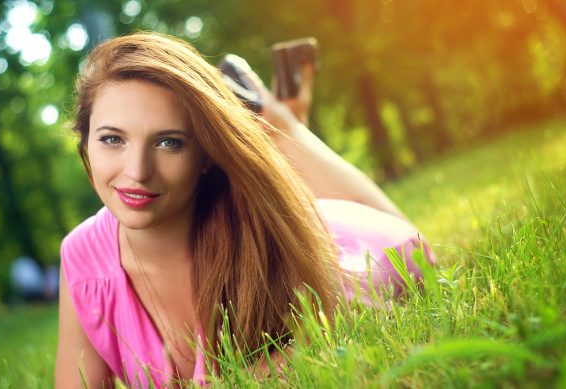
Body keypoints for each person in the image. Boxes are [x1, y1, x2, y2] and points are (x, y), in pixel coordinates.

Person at [55, 32, 433, 388]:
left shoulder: (257, 223)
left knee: (407, 235)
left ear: (205, 154)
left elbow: (321, 342)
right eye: (112, 139)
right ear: (85, 143)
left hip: (354, 250)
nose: (137, 171)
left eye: (169, 142)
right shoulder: (82, 258)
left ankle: (278, 123)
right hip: (303, 216)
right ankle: (269, 118)